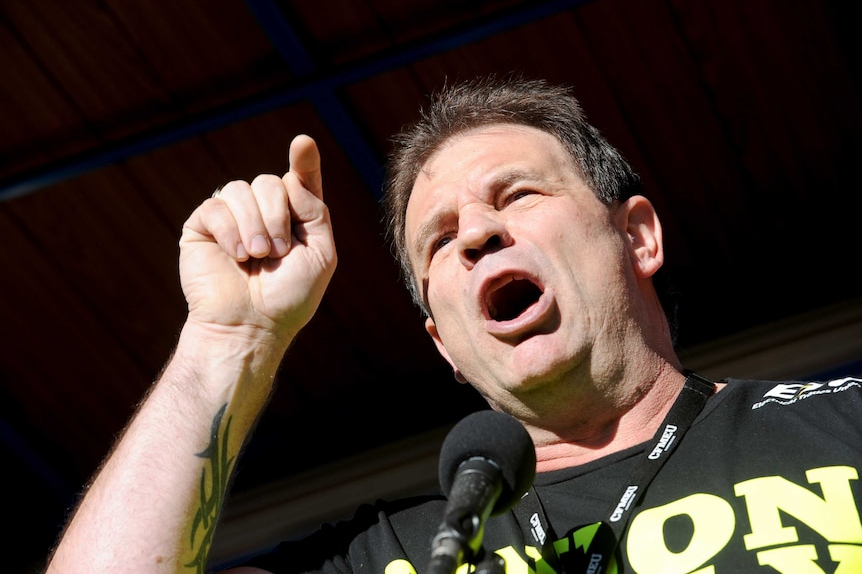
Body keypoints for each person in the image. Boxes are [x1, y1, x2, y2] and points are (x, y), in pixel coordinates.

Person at [45, 76, 862, 574]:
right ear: (442, 339)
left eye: (518, 196)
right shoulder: (382, 554)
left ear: (638, 234)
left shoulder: (843, 422)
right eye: (440, 239)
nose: (476, 233)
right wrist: (228, 344)